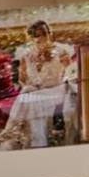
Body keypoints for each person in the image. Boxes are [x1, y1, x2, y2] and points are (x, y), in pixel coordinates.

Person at [6, 19, 81, 149]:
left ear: (49, 33)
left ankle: (19, 135)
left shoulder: (61, 51)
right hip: (37, 92)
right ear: (30, 37)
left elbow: (71, 72)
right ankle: (37, 142)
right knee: (27, 97)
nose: (40, 38)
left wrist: (69, 82)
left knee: (29, 99)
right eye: (36, 35)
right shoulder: (26, 55)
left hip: (57, 90)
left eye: (44, 33)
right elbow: (22, 79)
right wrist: (29, 87)